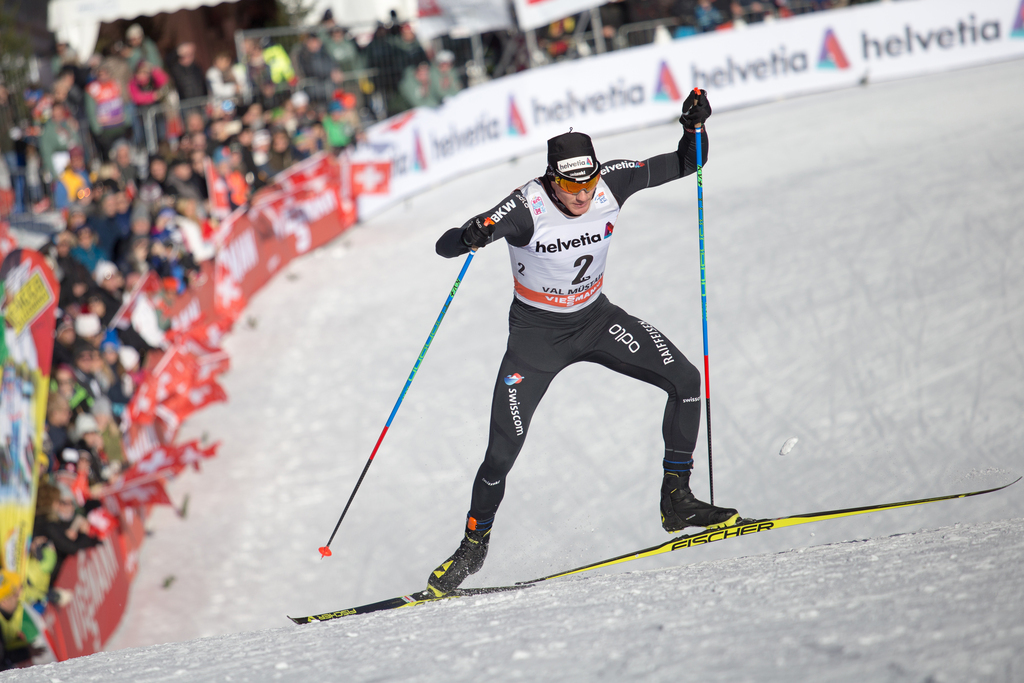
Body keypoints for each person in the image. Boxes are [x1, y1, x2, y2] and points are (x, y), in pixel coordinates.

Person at [426, 89, 736, 596]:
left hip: (595, 319)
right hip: (536, 339)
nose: (583, 194)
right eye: (571, 185)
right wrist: (472, 234)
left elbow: (689, 161)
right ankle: (473, 546)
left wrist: (694, 126)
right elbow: (447, 246)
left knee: (686, 380)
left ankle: (676, 497)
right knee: (502, 451)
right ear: (553, 179)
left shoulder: (613, 180)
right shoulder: (524, 206)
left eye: (588, 180)